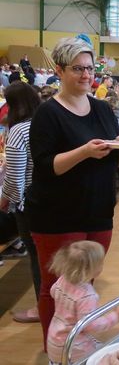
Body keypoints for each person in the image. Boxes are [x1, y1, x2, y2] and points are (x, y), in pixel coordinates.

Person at [25, 37, 119, 347]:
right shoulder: (48, 113)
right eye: (78, 69)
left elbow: (112, 158)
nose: (86, 75)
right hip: (57, 216)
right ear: (59, 70)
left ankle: (77, 341)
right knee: (55, 285)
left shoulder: (101, 108)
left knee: (84, 285)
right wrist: (83, 151)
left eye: (90, 68)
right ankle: (56, 348)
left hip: (97, 213)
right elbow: (46, 166)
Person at [0, 82, 42, 323]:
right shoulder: (44, 124)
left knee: (37, 257)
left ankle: (41, 308)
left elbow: (15, 178)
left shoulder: (18, 131)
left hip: (29, 204)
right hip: (49, 200)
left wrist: (6, 201)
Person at [46, 241, 119, 364]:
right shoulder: (87, 295)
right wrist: (113, 318)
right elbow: (90, 325)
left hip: (54, 340)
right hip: (74, 346)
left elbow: (53, 291)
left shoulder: (63, 279)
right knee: (102, 355)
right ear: (91, 269)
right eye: (101, 263)